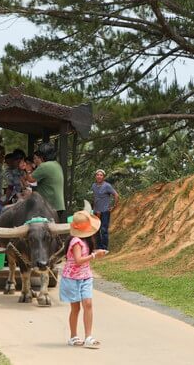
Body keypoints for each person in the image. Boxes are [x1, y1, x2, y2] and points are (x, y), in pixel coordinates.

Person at [60, 211, 107, 348]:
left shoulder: (86, 241)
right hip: (72, 278)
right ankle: (73, 336)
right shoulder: (75, 241)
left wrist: (96, 253)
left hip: (85, 276)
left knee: (88, 304)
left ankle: (88, 337)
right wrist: (94, 256)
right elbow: (78, 260)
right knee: (76, 308)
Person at [25, 142, 65, 222]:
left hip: (49, 206)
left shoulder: (45, 166)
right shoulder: (56, 164)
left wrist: (28, 169)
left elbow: (30, 179)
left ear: (43, 156)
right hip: (58, 205)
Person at [91, 169, 119, 251]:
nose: (99, 176)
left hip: (105, 211)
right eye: (97, 175)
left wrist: (114, 206)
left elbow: (116, 195)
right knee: (96, 229)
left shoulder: (107, 186)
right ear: (95, 176)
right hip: (96, 211)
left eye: (101, 175)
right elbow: (95, 197)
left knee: (104, 230)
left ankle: (104, 248)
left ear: (103, 177)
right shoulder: (93, 186)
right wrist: (93, 208)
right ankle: (98, 247)